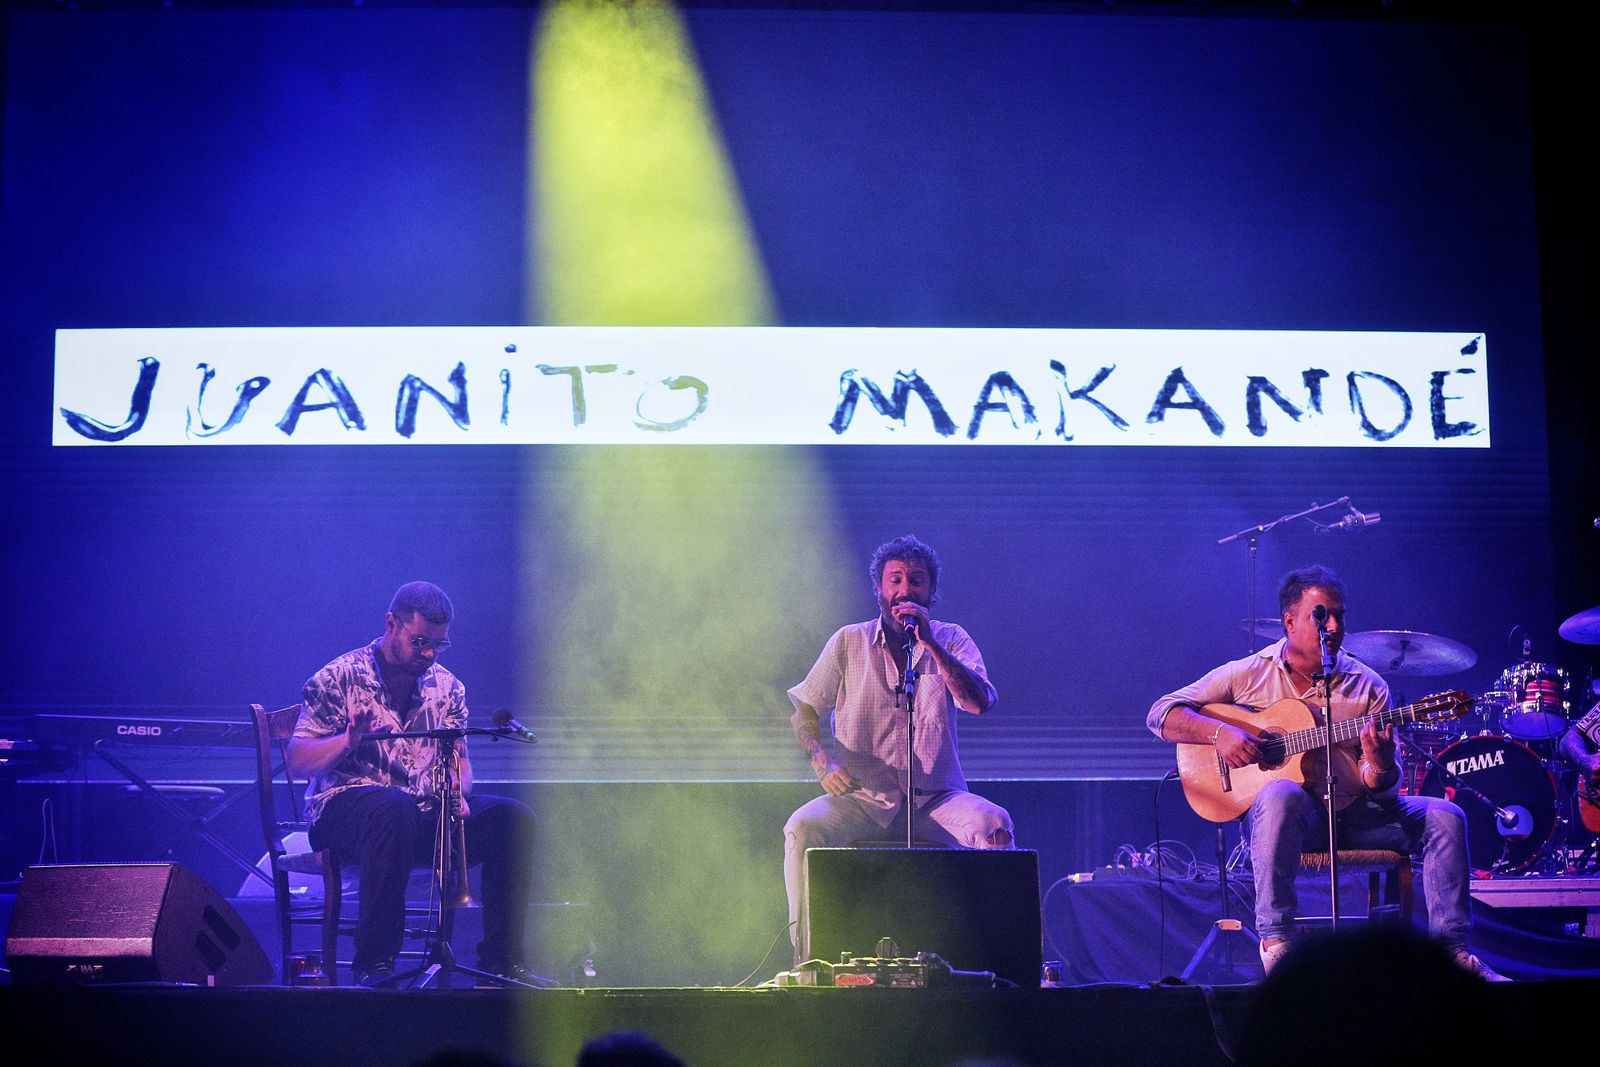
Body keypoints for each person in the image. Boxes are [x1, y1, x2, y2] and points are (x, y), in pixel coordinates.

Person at [1146, 565, 1505, 980]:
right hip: (1286, 823)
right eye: (1321, 616)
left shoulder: (1368, 687)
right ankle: (1277, 942)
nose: (1333, 626)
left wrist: (1383, 763)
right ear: (1290, 621)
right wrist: (1220, 733)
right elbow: (1161, 714)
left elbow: (1383, 789)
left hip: (1358, 816)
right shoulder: (1247, 673)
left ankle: (1452, 958)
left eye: (1339, 615)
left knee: (1446, 816)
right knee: (1281, 792)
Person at [289, 581, 544, 987]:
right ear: (392, 624)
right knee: (393, 808)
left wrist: (459, 792)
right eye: (419, 642)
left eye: (437, 645)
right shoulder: (338, 677)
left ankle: (500, 962)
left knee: (512, 818)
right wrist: (346, 741)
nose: (427, 654)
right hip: (345, 815)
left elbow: (460, 762)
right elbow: (298, 758)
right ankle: (374, 962)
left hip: (419, 813)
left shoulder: (448, 687)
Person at [782, 535, 1013, 962]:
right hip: (862, 799)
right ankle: (806, 958)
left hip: (937, 799)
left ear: (931, 591)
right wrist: (821, 760)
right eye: (895, 580)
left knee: (993, 824)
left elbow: (978, 702)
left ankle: (998, 964)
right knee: (801, 828)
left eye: (916, 581)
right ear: (879, 589)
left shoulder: (952, 638)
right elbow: (805, 710)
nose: (905, 590)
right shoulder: (848, 642)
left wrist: (932, 644)